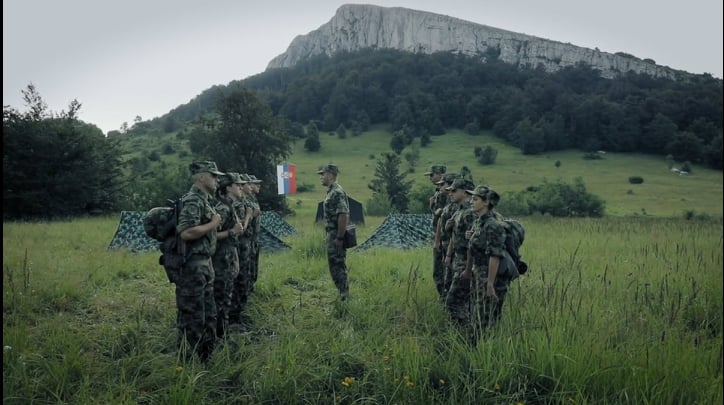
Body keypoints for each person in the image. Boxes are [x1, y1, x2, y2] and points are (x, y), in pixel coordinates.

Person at [176, 160, 224, 362]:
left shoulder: (204, 200)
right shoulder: (193, 201)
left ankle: (206, 356)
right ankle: (188, 360)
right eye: (213, 176)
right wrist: (214, 223)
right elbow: (186, 232)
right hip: (193, 266)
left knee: (208, 313)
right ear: (202, 177)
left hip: (204, 263)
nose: (217, 180)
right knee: (193, 315)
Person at [460, 185, 508, 346]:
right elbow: (474, 248)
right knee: (476, 313)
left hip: (488, 276)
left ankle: (483, 350)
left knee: (485, 316)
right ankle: (476, 348)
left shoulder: (493, 225)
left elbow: (495, 256)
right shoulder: (479, 222)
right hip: (478, 274)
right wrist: (468, 270)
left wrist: (489, 284)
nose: (472, 202)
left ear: (486, 202)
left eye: (475, 199)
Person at [211, 172, 245, 338]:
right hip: (220, 262)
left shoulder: (229, 206)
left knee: (226, 299)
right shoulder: (223, 209)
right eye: (237, 185)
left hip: (228, 259)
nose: (240, 187)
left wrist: (235, 259)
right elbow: (211, 236)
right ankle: (218, 337)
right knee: (221, 300)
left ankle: (222, 333)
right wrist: (232, 232)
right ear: (228, 188)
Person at [442, 178, 477, 326]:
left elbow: (473, 243)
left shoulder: (470, 213)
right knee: (460, 299)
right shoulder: (459, 211)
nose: (450, 193)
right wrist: (449, 255)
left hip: (467, 262)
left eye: (454, 190)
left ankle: (465, 331)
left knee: (454, 301)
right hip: (457, 259)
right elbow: (454, 236)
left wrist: (468, 269)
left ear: (465, 192)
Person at [318, 164, 351, 301]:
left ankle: (344, 296)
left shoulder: (337, 192)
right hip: (332, 233)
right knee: (334, 264)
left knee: (337, 264)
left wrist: (339, 237)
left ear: (330, 175)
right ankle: (342, 294)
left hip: (335, 234)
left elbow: (343, 214)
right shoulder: (332, 191)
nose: (321, 177)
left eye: (323, 174)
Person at [229, 173, 254, 327]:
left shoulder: (240, 202)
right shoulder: (235, 205)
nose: (242, 186)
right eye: (238, 184)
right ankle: (234, 318)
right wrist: (248, 216)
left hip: (241, 248)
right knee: (238, 282)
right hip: (237, 248)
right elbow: (240, 229)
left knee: (242, 280)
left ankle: (237, 315)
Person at [433, 173, 460, 297]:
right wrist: (437, 240)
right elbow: (440, 221)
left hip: (453, 246)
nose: (441, 187)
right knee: (441, 275)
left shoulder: (458, 205)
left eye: (443, 184)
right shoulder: (448, 202)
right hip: (444, 244)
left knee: (449, 277)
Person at [425, 164, 448, 298]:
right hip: (441, 236)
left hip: (444, 238)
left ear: (440, 174)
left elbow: (441, 217)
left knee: (441, 272)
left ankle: (446, 299)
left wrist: (437, 240)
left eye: (432, 175)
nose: (430, 178)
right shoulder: (439, 191)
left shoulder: (445, 193)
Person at [246, 174, 263, 292]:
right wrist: (252, 215)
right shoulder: (246, 200)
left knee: (253, 266)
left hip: (254, 238)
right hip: (248, 239)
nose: (259, 186)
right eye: (256, 183)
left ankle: (251, 287)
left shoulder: (253, 199)